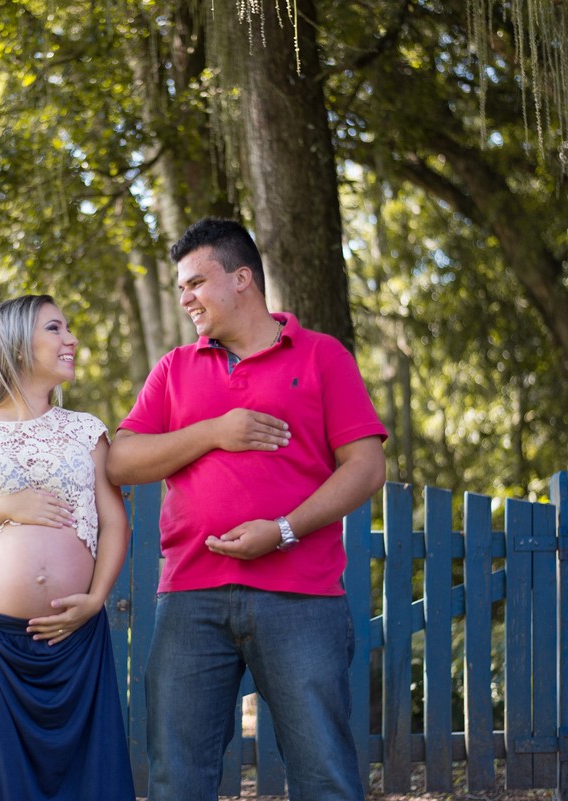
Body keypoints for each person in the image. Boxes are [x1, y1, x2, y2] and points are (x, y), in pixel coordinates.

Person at [106, 218, 388, 801]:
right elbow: (121, 461)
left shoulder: (322, 356)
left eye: (195, 283)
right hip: (189, 596)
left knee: (323, 774)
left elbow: (365, 467)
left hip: (302, 597)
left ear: (242, 279)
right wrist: (215, 431)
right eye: (180, 287)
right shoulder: (175, 369)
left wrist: (283, 530)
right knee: (176, 779)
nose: (185, 298)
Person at [0, 294, 135, 801]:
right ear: (17, 347)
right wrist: (5, 506)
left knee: (91, 783)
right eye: (55, 329)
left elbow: (115, 524)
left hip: (74, 637)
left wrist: (96, 598)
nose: (71, 340)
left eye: (67, 329)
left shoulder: (87, 431)